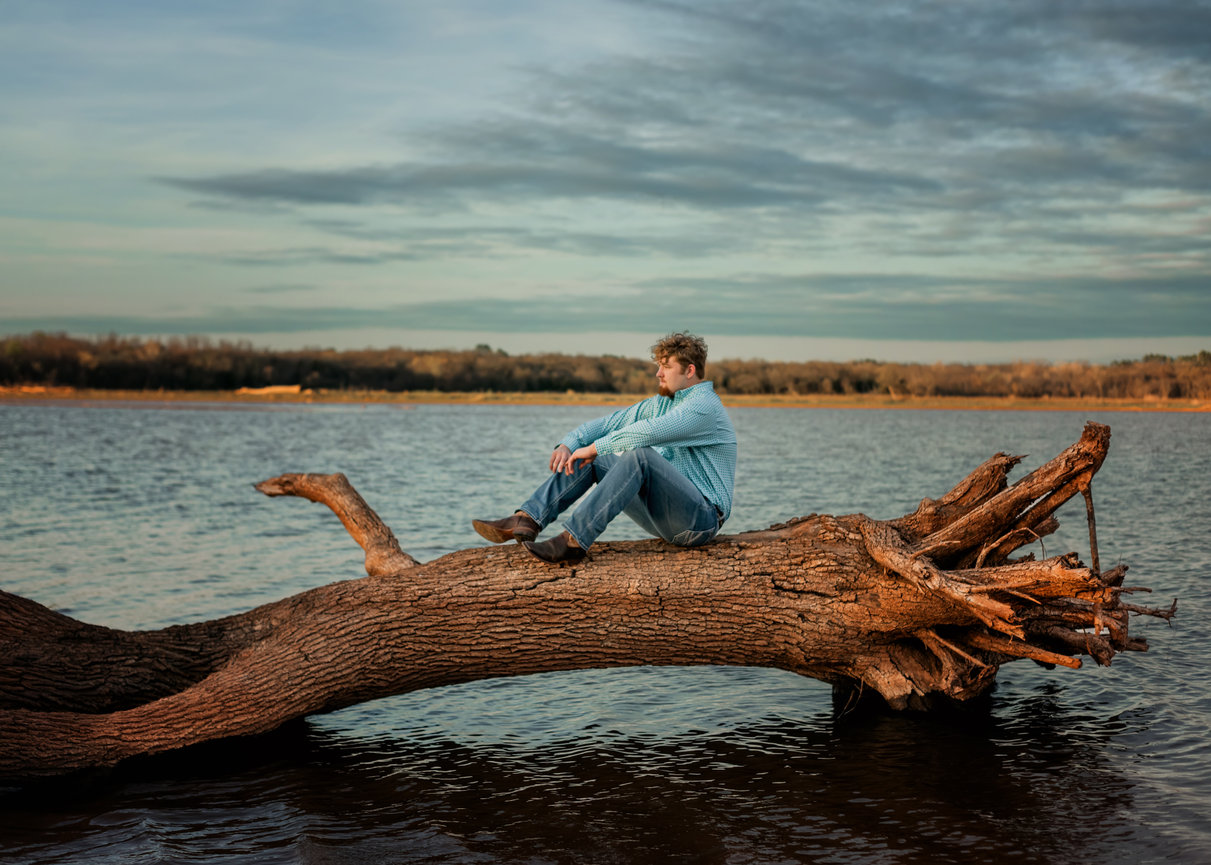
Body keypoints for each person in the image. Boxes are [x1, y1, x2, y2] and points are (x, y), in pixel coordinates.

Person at [472, 332, 737, 565]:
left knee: (639, 456)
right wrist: (570, 443)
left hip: (700, 521)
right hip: (667, 516)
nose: (658, 373)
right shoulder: (661, 403)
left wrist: (594, 448)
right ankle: (528, 519)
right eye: (658, 366)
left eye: (666, 367)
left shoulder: (704, 407)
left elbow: (648, 432)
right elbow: (607, 424)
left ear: (689, 371)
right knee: (603, 458)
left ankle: (575, 540)